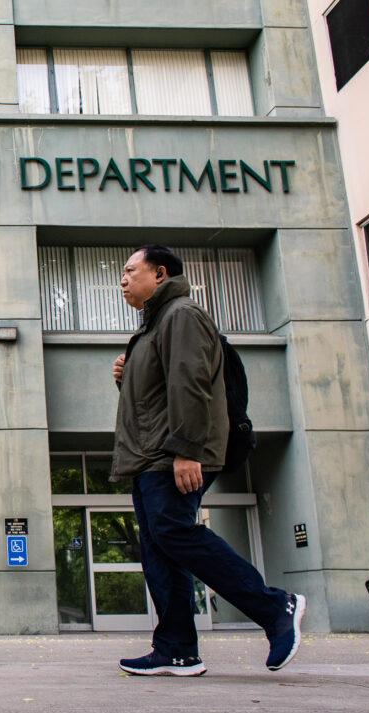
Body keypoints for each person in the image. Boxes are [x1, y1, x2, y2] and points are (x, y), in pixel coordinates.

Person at [111, 244, 305, 677]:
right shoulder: (154, 325)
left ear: (159, 274)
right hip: (151, 456)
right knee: (161, 546)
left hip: (172, 453)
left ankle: (275, 607)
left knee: (173, 533)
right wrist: (125, 378)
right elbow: (155, 400)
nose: (122, 279)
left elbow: (192, 385)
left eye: (129, 270)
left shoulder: (181, 315)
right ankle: (177, 648)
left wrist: (187, 451)